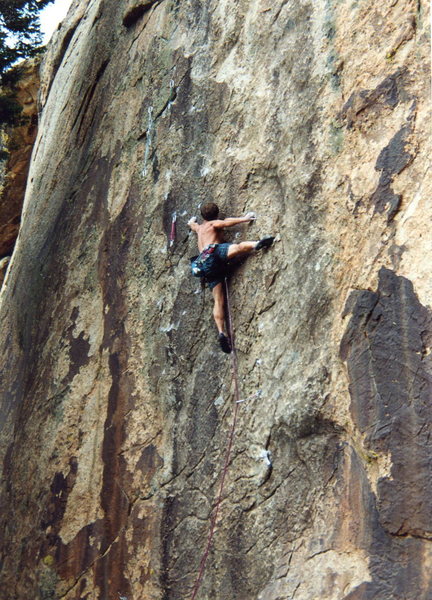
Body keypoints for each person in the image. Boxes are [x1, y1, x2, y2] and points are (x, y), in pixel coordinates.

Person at [188, 202, 274, 353]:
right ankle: (256, 244)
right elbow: (227, 223)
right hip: (213, 253)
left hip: (204, 265)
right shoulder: (213, 224)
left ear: (203, 217)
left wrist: (191, 222)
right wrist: (245, 219)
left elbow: (192, 225)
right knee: (239, 247)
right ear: (216, 214)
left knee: (218, 300)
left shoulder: (200, 228)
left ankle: (221, 332)